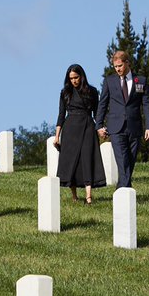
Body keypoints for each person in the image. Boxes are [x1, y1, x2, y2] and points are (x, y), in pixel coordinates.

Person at [95, 50, 149, 188]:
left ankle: (121, 190)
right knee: (122, 160)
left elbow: (147, 105)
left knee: (130, 161)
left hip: (135, 127)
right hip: (116, 127)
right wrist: (99, 125)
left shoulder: (141, 81)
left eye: (120, 66)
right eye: (115, 67)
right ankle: (125, 191)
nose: (118, 69)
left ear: (127, 63)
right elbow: (103, 103)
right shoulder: (109, 81)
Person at [54, 63, 105, 203]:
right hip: (70, 128)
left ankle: (88, 196)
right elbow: (60, 115)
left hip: (88, 126)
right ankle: (74, 195)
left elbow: (97, 113)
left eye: (76, 77)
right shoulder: (65, 93)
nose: (74, 81)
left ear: (81, 76)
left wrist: (100, 128)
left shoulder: (92, 91)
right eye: (71, 78)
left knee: (87, 157)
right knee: (71, 161)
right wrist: (57, 136)